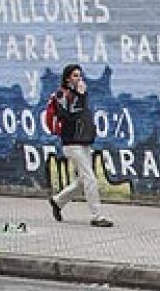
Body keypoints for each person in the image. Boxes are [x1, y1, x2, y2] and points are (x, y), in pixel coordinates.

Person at [46, 64, 113, 228]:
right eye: (75, 75)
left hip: (83, 141)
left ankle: (57, 201)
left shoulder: (79, 94)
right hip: (71, 142)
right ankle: (97, 216)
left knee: (83, 180)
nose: (79, 78)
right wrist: (79, 95)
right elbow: (67, 115)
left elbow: (82, 115)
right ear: (68, 78)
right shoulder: (62, 94)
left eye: (80, 75)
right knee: (90, 178)